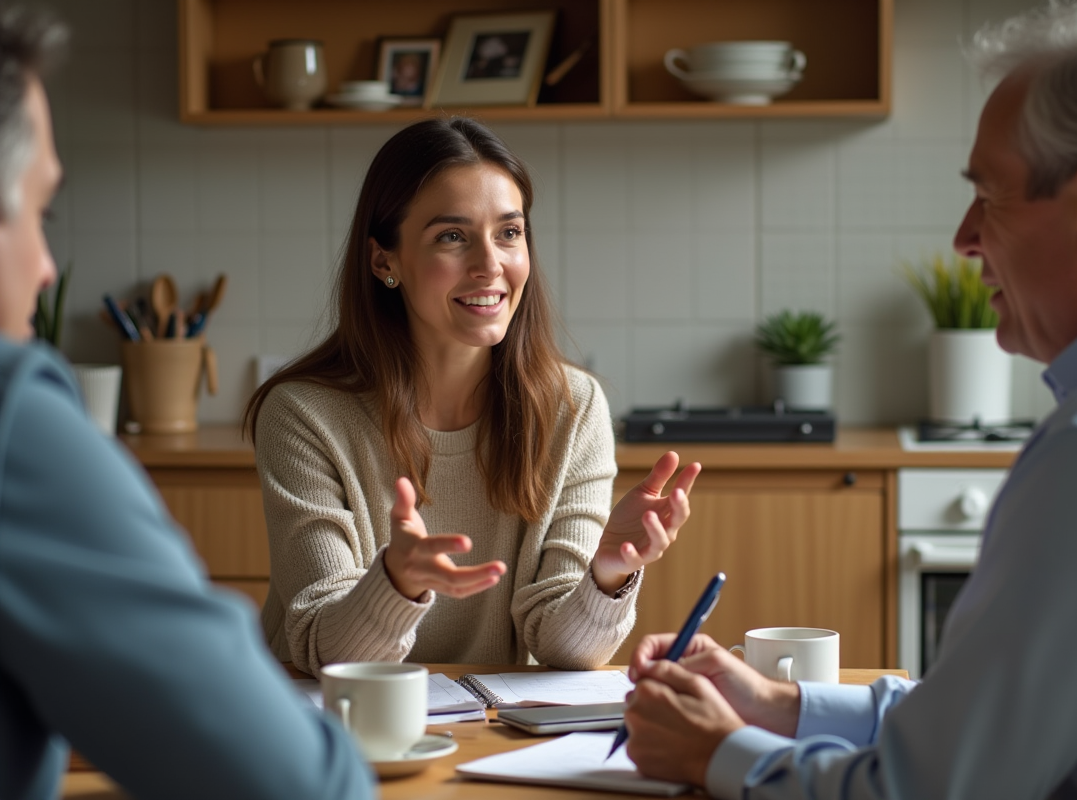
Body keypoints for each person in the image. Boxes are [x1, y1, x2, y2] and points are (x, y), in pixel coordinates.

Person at [620, 1, 1077, 797]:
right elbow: (994, 723)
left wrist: (715, 754)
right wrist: (781, 706)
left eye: (989, 195)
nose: (965, 238)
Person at [0, 8, 374, 800]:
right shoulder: (14, 422)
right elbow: (294, 785)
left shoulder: (568, 405)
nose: (44, 268)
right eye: (39, 213)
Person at [244, 117, 699, 675]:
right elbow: (328, 654)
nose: (491, 266)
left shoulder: (572, 408)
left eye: (509, 233)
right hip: (330, 723)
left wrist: (606, 574)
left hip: (491, 724)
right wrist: (396, 585)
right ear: (384, 261)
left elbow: (564, 651)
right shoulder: (304, 416)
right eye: (452, 237)